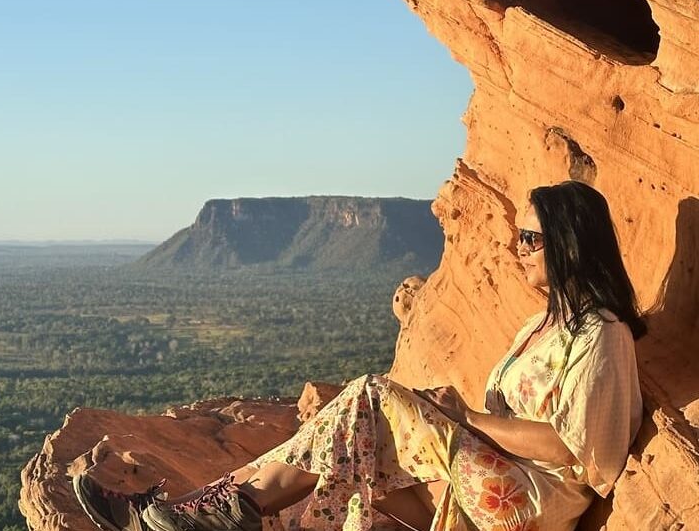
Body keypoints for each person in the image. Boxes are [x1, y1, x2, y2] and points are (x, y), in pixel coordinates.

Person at [74, 180, 645, 531]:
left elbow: (587, 453)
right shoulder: (539, 327)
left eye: (531, 238)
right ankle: (189, 515)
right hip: (489, 479)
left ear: (570, 244)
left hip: (527, 502)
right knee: (348, 495)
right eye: (520, 236)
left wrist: (466, 418)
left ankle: (210, 514)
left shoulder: (602, 336)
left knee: (370, 397)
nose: (517, 248)